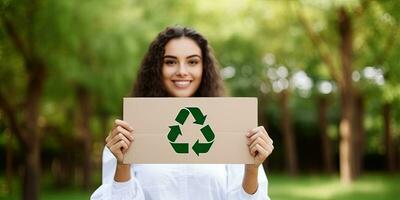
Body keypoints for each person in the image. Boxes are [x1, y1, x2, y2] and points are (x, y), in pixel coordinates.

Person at [91, 26, 274, 200]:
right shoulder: (128, 132)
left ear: (204, 68)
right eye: (170, 62)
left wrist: (251, 168)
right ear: (156, 68)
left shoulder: (232, 126)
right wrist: (123, 164)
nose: (182, 71)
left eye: (192, 62)